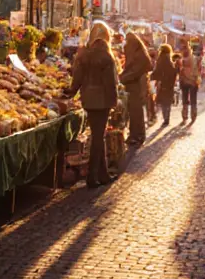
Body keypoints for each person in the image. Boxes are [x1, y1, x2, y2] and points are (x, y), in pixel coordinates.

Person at [63, 22, 118, 188]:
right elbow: (111, 83)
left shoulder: (84, 55)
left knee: (97, 135)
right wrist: (114, 101)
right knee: (98, 137)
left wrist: (70, 92)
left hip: (88, 99)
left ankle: (103, 174)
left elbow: (77, 80)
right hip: (102, 101)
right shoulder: (107, 56)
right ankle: (93, 176)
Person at [120, 34, 152, 147]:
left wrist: (122, 78)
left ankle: (138, 136)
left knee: (136, 112)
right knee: (133, 112)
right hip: (133, 87)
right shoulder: (137, 53)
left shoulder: (139, 56)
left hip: (137, 87)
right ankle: (134, 135)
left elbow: (135, 72)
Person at [151, 44, 178, 127]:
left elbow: (157, 71)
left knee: (163, 102)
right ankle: (167, 118)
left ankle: (165, 118)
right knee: (168, 102)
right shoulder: (170, 61)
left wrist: (152, 77)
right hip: (169, 83)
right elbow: (174, 72)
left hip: (162, 83)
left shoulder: (160, 60)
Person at [179, 46, 200, 123]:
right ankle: (193, 115)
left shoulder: (181, 60)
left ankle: (185, 116)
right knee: (193, 100)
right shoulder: (194, 59)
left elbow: (180, 72)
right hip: (193, 82)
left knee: (185, 100)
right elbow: (197, 71)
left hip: (185, 82)